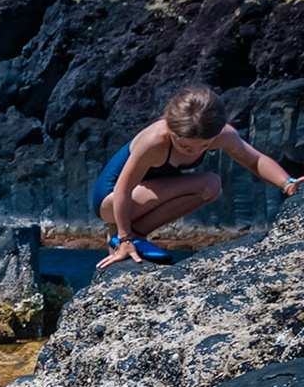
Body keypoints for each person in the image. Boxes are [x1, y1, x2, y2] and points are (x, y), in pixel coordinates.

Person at [94, 85, 299, 270]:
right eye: (185, 146)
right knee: (208, 183)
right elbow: (123, 189)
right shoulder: (154, 141)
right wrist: (124, 238)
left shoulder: (222, 135)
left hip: (142, 195)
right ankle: (125, 237)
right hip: (111, 199)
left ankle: (137, 233)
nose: (194, 151)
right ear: (171, 130)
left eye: (204, 145)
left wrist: (288, 184)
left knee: (211, 186)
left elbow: (255, 161)